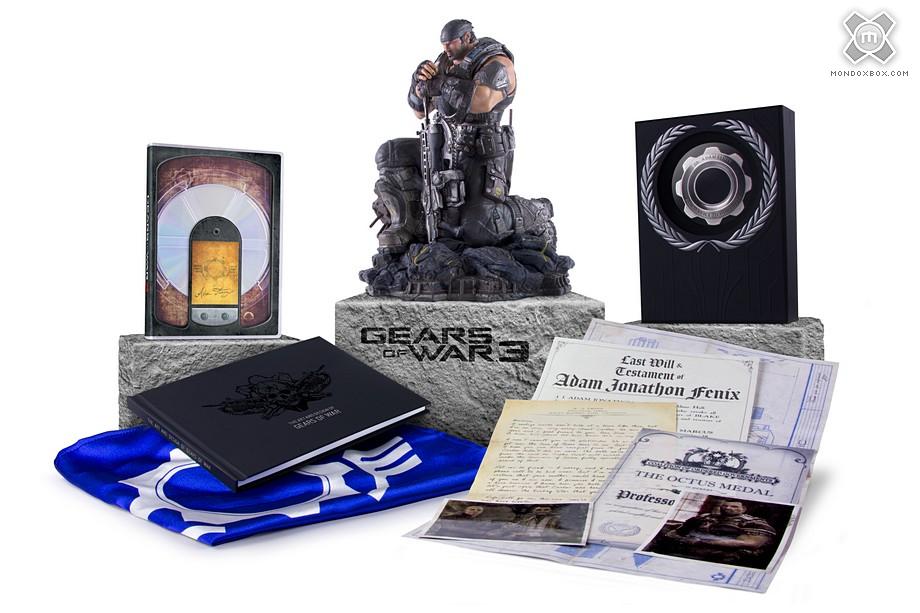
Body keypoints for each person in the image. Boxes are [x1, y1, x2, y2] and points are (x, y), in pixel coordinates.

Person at [363, 20, 571, 301]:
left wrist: (441, 84)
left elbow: (481, 100)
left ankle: (536, 212)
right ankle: (408, 222)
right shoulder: (445, 62)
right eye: (444, 46)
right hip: (443, 144)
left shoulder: (495, 62)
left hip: (481, 150)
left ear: (468, 38)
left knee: (478, 230)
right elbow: (419, 111)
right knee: (390, 153)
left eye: (451, 44)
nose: (446, 50)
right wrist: (418, 84)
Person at [662, 500, 778, 567]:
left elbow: (751, 543)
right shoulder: (705, 516)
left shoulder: (755, 522)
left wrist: (701, 542)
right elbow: (679, 531)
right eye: (725, 505)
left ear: (743, 509)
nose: (728, 508)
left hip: (722, 557)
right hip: (684, 549)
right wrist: (676, 537)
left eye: (734, 506)